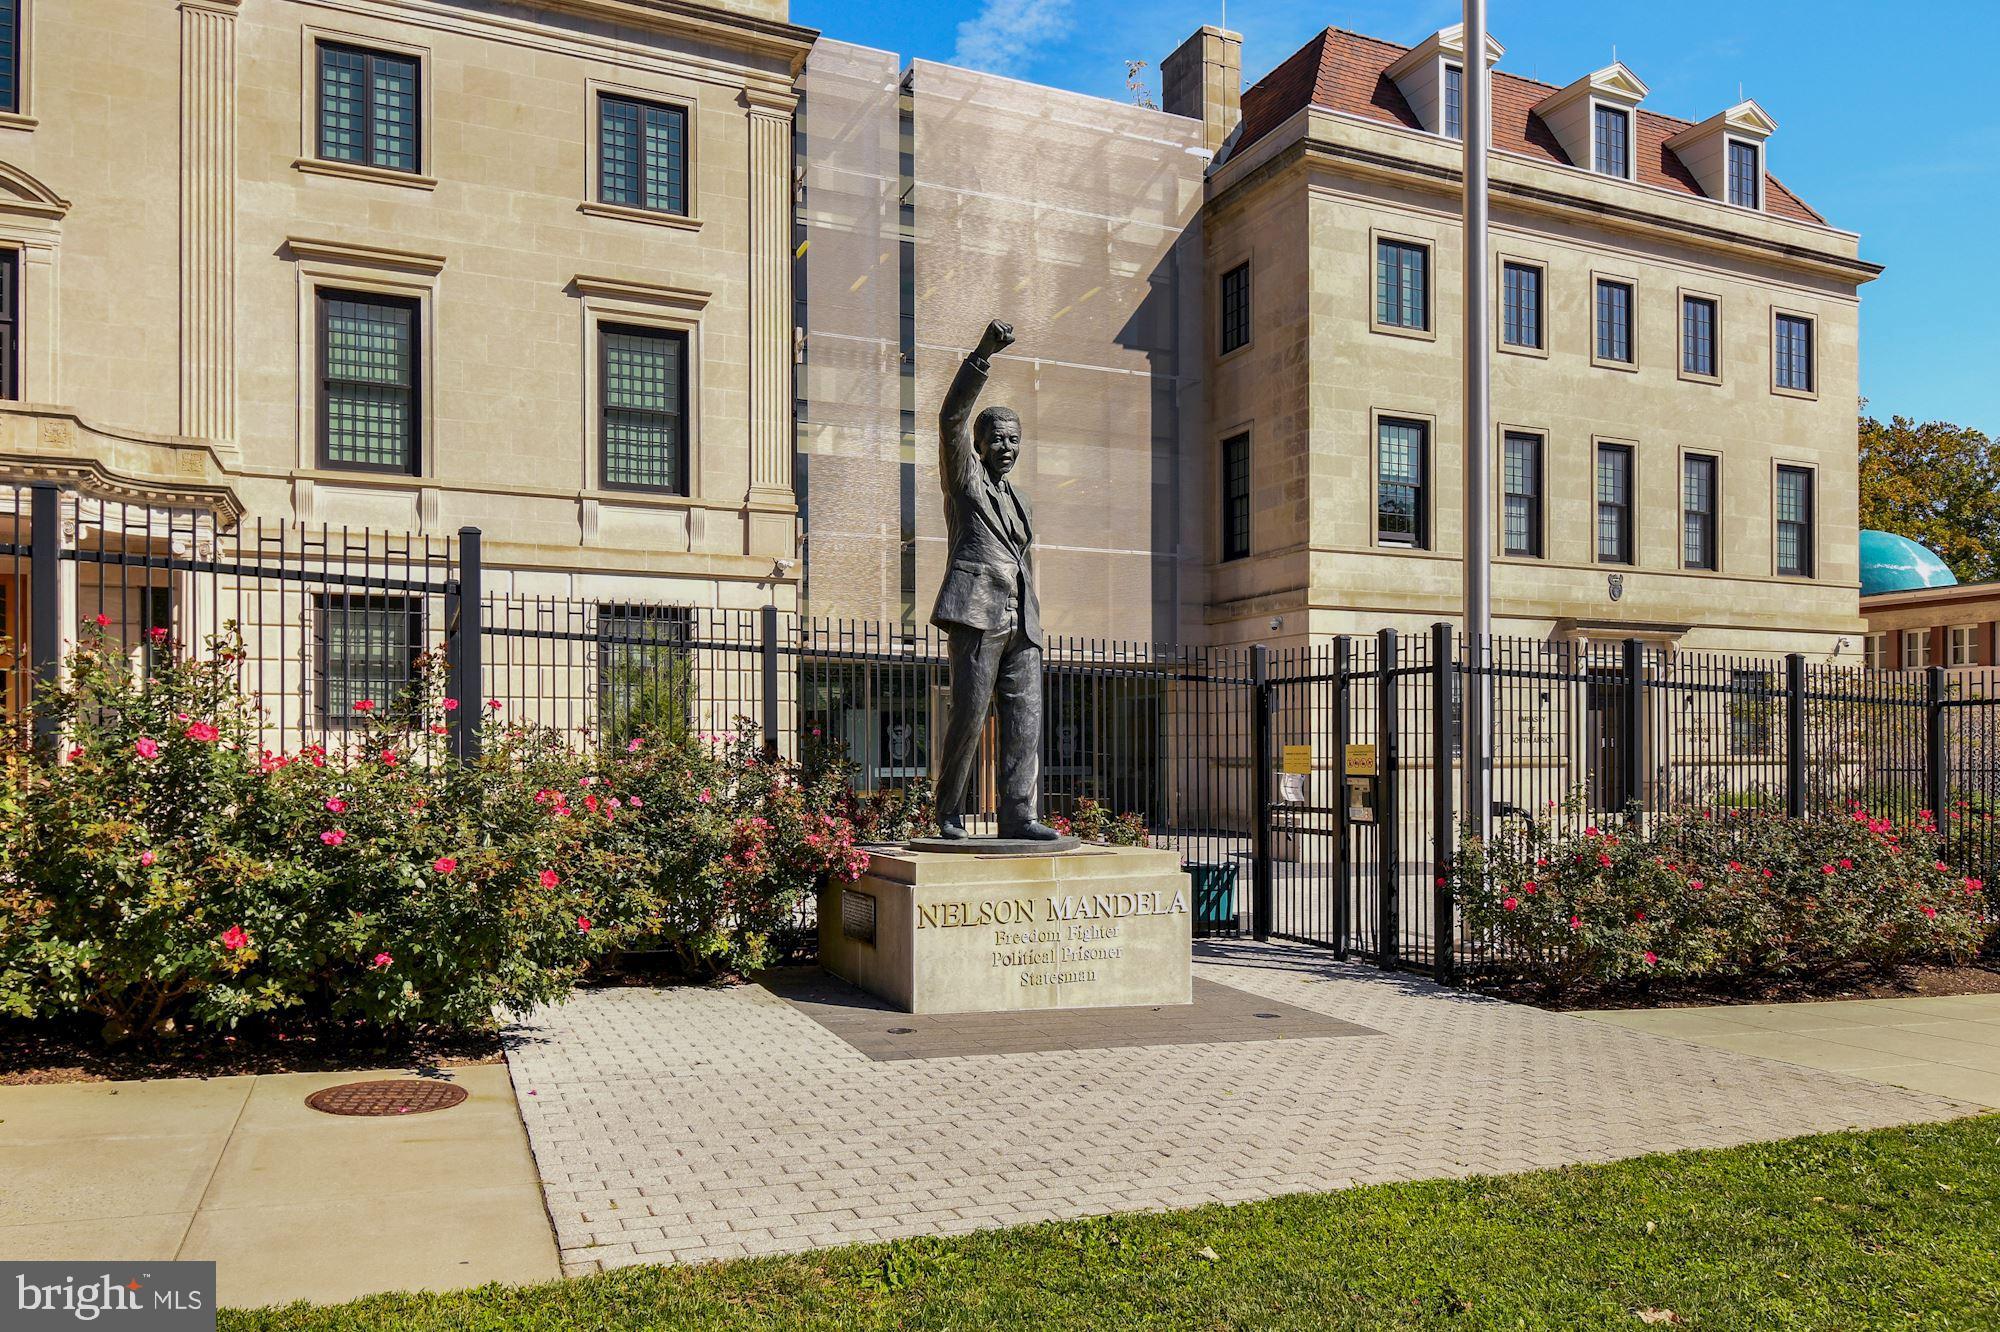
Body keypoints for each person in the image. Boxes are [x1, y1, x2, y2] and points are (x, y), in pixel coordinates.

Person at [929, 319, 1060, 842]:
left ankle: (1018, 814)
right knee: (969, 715)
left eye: (1013, 440)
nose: (1006, 446)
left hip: (1021, 622)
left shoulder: (1022, 502)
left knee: (1025, 720)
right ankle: (949, 813)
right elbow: (951, 416)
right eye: (996, 439)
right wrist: (983, 352)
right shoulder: (964, 480)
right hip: (977, 613)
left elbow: (1023, 561)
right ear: (979, 446)